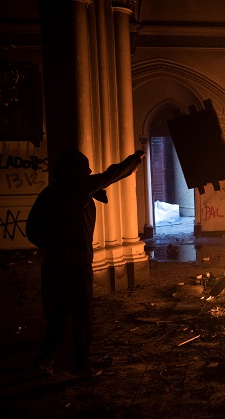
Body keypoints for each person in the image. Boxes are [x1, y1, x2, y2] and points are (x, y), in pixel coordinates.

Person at [26, 148, 145, 377]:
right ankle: (80, 365)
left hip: (55, 263)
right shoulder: (76, 189)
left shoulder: (51, 192)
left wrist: (49, 244)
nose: (89, 173)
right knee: (82, 315)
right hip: (76, 264)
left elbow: (32, 228)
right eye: (85, 169)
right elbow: (111, 175)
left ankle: (47, 358)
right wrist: (133, 161)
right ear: (76, 172)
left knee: (59, 312)